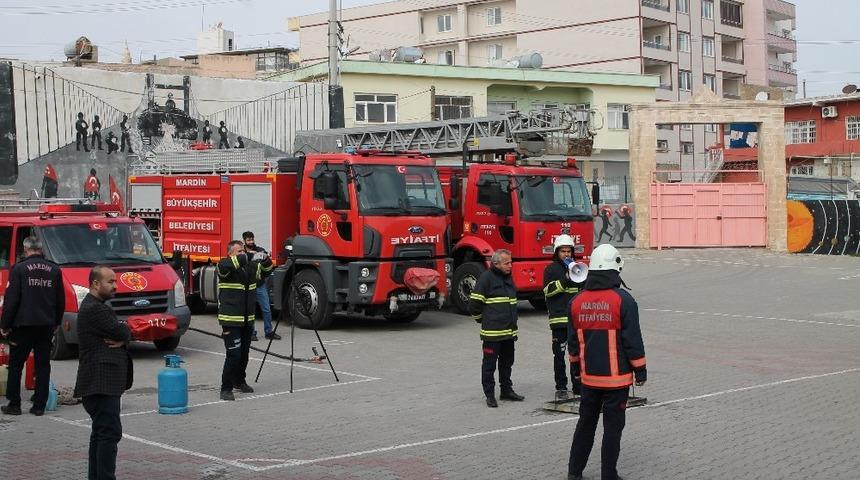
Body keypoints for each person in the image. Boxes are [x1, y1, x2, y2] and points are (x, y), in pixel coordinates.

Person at [567, 244, 646, 480]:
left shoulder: (577, 301)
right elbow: (632, 340)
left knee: (585, 426)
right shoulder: (623, 300)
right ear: (616, 268)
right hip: (616, 380)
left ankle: (574, 473)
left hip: (589, 378)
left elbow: (573, 343)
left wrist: (576, 373)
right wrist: (640, 370)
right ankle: (608, 475)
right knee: (612, 430)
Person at [74, 265, 133, 480]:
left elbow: (120, 331)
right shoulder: (96, 309)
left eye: (115, 281)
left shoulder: (95, 306)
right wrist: (124, 331)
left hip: (98, 384)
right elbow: (122, 330)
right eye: (111, 282)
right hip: (100, 384)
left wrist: (122, 332)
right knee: (109, 434)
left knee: (100, 434)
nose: (115, 286)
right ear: (96, 283)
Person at [0, 237, 64, 416]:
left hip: (23, 325)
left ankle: (14, 404)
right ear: (41, 250)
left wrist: (4, 324)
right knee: (43, 365)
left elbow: (12, 300)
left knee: (16, 365)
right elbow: (60, 300)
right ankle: (39, 405)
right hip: (46, 325)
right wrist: (57, 322)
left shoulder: (19, 269)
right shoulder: (54, 269)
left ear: (25, 249)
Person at [468, 249, 524, 408]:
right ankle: (490, 395)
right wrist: (483, 320)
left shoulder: (508, 278)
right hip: (492, 334)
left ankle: (506, 391)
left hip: (509, 333)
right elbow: (474, 305)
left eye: (510, 262)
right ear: (496, 263)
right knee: (489, 366)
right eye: (507, 263)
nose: (510, 266)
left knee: (507, 363)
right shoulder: (486, 278)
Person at [217, 240, 271, 400]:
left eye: (243, 251)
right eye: (238, 251)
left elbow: (266, 272)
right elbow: (231, 264)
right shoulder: (224, 266)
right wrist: (248, 255)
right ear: (230, 254)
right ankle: (225, 388)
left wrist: (265, 259)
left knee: (244, 354)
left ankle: (239, 381)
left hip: (248, 320)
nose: (242, 254)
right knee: (233, 354)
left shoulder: (251, 267)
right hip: (231, 319)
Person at [542, 234, 582, 400]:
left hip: (575, 320)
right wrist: (565, 280)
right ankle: (561, 387)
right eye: (563, 251)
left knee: (577, 355)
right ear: (557, 252)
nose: (566, 254)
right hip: (559, 320)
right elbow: (548, 291)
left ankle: (578, 385)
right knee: (559, 356)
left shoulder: (578, 268)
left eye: (569, 251)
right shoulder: (551, 269)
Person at [242, 231, 277, 341]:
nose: (251, 242)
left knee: (266, 309)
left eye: (252, 239)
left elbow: (267, 263)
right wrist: (249, 255)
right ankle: (251, 333)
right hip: (248, 286)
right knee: (250, 311)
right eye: (248, 240)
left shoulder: (260, 250)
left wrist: (265, 257)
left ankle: (269, 332)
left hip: (260, 284)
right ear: (244, 241)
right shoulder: (241, 252)